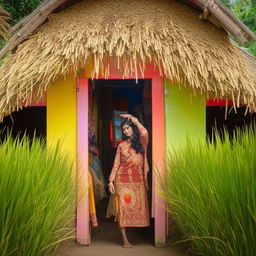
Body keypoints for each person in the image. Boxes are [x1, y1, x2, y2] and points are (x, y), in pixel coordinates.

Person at [108, 114, 150, 248]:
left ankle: (136, 234)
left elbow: (144, 132)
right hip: (122, 180)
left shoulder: (142, 141)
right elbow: (116, 164)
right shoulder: (121, 146)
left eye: (127, 128)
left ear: (132, 128)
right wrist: (111, 181)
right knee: (123, 210)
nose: (126, 131)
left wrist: (135, 120)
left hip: (137, 182)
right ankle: (125, 240)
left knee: (136, 207)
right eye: (124, 130)